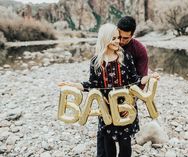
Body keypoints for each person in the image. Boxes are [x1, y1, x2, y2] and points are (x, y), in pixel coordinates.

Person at [59, 23, 159, 157]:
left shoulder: (126, 57)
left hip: (125, 109)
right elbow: (92, 84)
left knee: (125, 145)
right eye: (113, 38)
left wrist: (149, 77)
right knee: (108, 146)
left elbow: (135, 80)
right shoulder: (96, 62)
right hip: (106, 110)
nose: (117, 41)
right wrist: (73, 85)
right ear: (105, 39)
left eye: (117, 38)